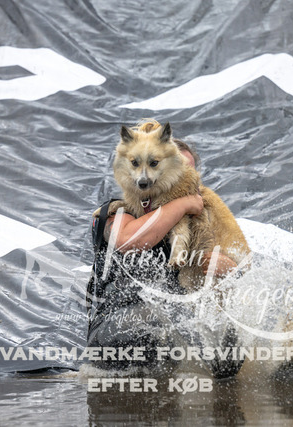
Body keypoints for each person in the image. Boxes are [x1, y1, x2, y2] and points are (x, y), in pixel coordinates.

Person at [86, 140, 242, 377]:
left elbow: (234, 284)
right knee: (158, 316)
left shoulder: (197, 229)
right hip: (115, 332)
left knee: (227, 344)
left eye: (188, 172)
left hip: (171, 336)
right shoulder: (117, 212)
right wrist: (184, 203)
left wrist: (228, 270)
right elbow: (130, 241)